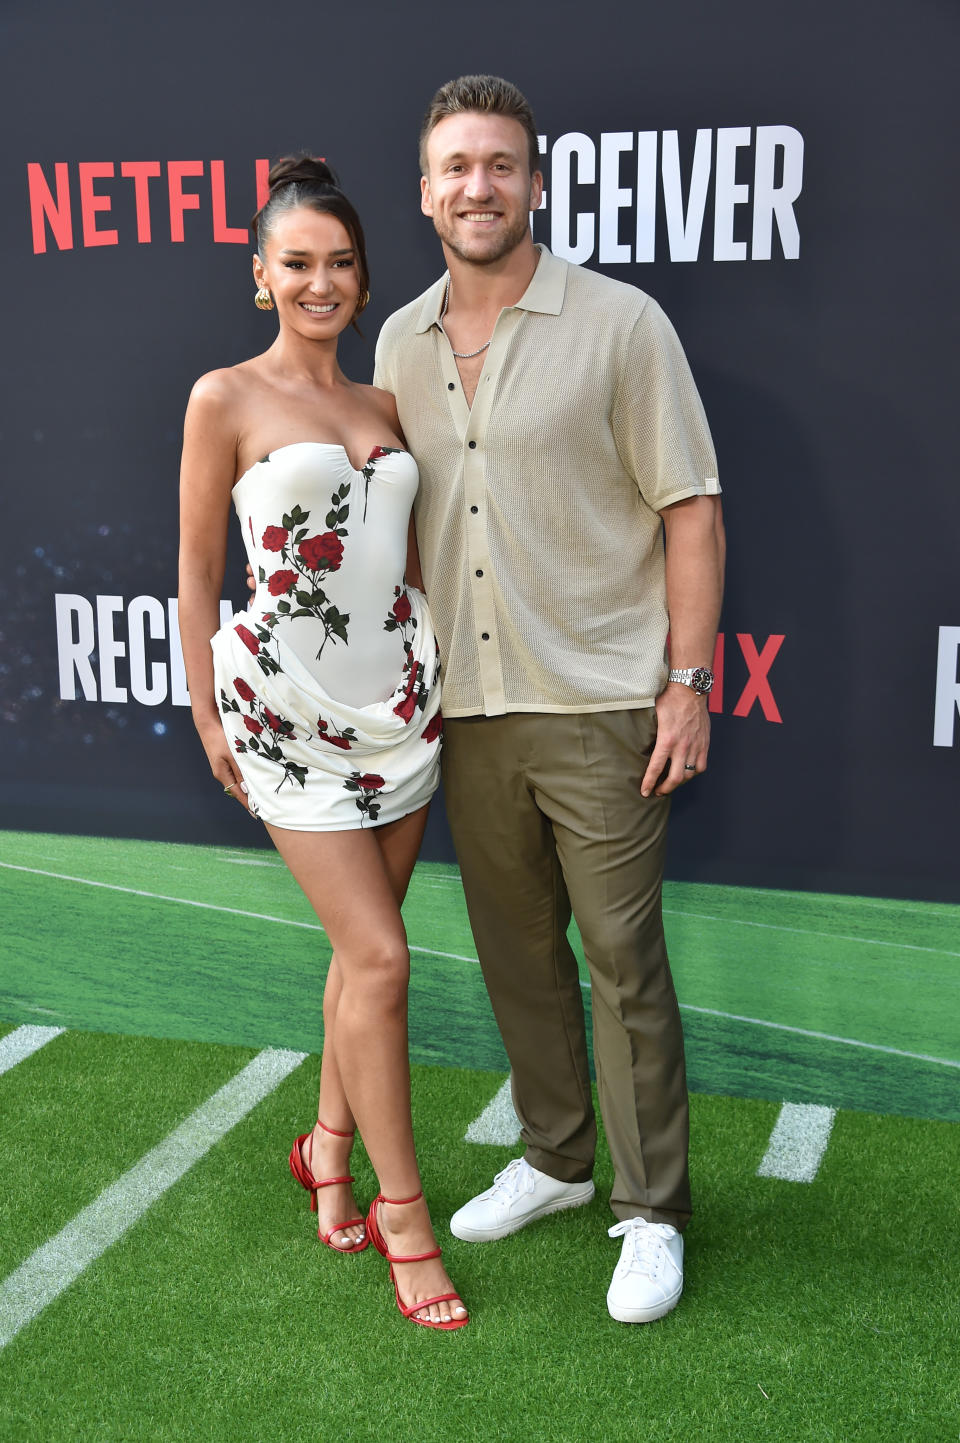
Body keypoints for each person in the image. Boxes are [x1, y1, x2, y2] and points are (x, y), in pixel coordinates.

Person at [372, 75, 725, 1324]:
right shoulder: (399, 339)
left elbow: (691, 505)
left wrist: (686, 683)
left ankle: (651, 1212)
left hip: (601, 704)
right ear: (426, 192)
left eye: (502, 165)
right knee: (519, 959)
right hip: (465, 707)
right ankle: (557, 1161)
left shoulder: (622, 324)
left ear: (536, 181)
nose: (480, 186)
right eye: (457, 166)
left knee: (623, 961)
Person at [178, 156, 466, 1331]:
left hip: (398, 712)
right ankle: (406, 1216)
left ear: (361, 275)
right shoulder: (224, 399)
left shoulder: (386, 408)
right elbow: (198, 575)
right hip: (285, 719)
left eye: (341, 262)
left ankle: (328, 1150)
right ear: (261, 276)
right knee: (386, 959)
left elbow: (403, 557)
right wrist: (207, 711)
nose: (321, 281)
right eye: (297, 262)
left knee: (364, 960)